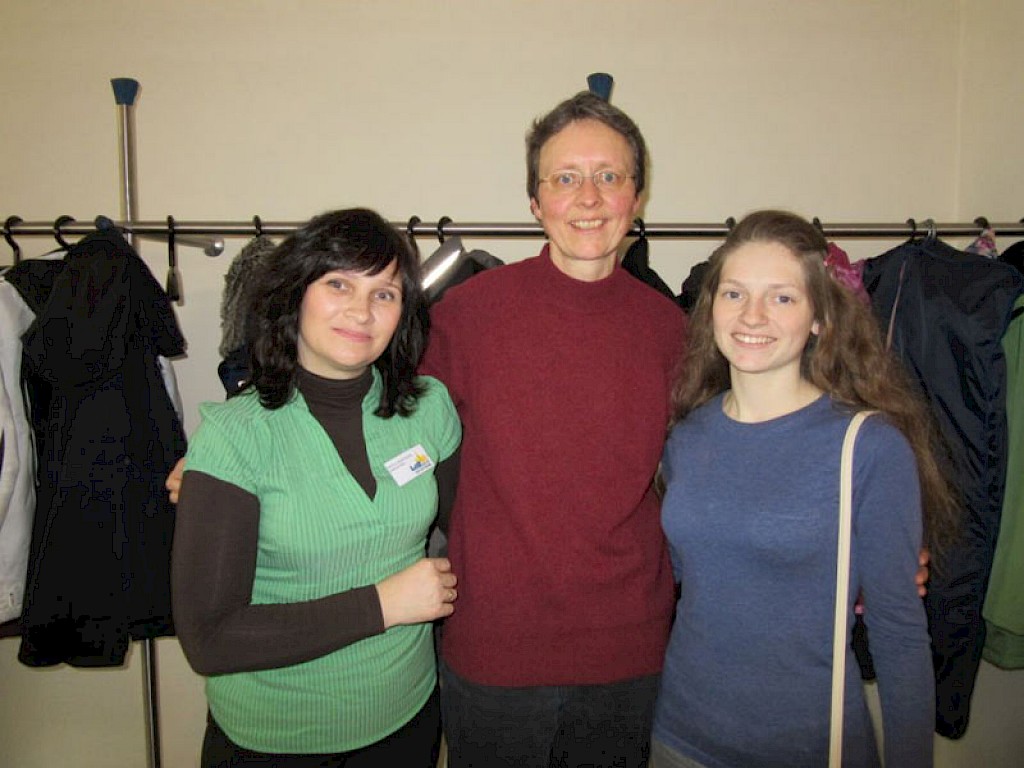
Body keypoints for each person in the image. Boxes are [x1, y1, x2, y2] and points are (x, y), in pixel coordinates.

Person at [419, 91, 687, 768]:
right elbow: (382, 428)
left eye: (608, 176)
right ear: (535, 202)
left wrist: (855, 532)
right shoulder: (466, 316)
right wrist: (252, 458)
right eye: (565, 178)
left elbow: (732, 460)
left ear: (637, 197)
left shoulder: (671, 331)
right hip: (495, 652)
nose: (588, 198)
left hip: (629, 655)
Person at [651, 210, 959, 768]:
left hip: (810, 746)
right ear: (711, 307)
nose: (753, 316)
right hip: (677, 738)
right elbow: (672, 581)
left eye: (783, 298)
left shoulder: (867, 446)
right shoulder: (686, 437)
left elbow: (899, 635)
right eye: (735, 293)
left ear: (819, 317)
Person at [171, 208, 462, 767]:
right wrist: (383, 605)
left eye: (384, 294)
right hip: (276, 740)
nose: (361, 310)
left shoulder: (428, 408)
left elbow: (477, 530)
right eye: (338, 285)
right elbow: (209, 640)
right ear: (296, 293)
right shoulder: (236, 436)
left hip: (407, 719)